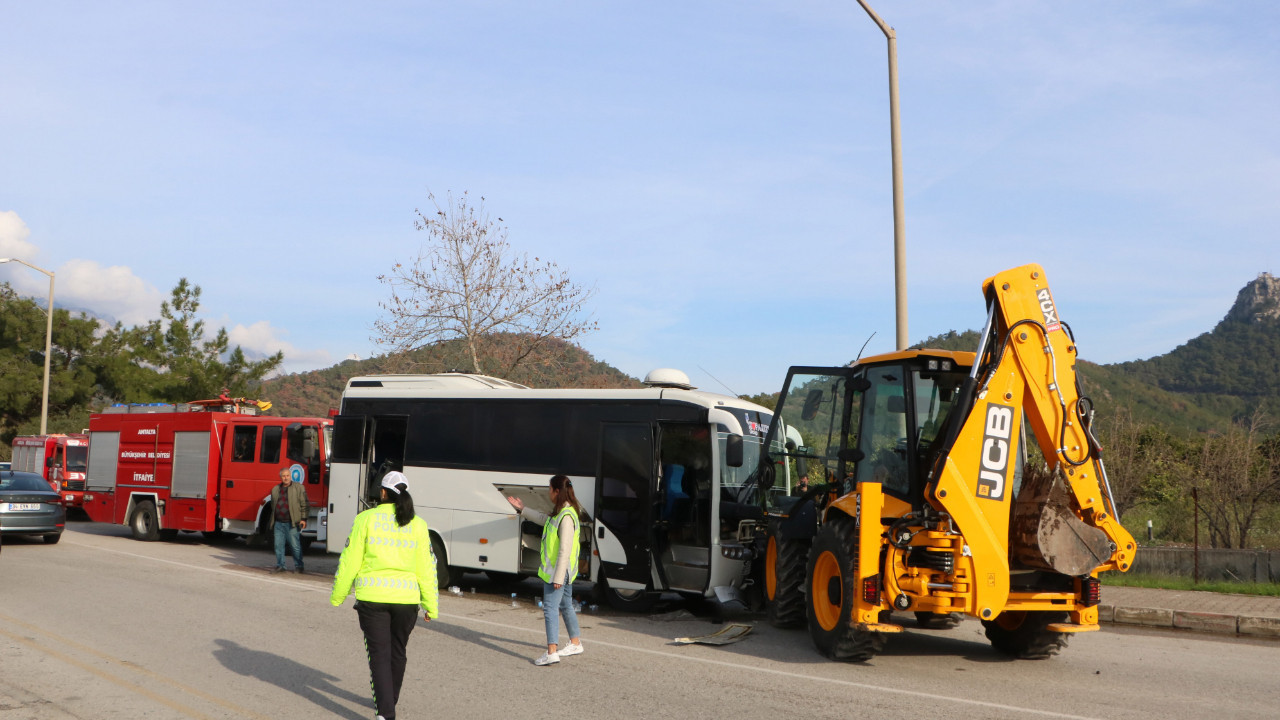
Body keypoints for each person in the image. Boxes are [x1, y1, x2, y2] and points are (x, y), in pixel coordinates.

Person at [331, 471, 437, 720]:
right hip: (407, 601)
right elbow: (427, 568)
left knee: (379, 655)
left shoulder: (366, 519)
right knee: (397, 652)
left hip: (373, 599)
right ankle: (389, 701)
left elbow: (350, 560)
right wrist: (430, 605)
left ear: (383, 492)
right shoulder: (418, 524)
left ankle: (386, 712)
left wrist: (339, 595)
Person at [506, 474, 584, 666]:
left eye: (550, 489)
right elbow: (544, 519)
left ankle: (551, 652)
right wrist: (523, 509)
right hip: (564, 571)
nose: (548, 493)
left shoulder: (566, 516)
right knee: (565, 605)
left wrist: (558, 576)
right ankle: (575, 643)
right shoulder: (562, 512)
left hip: (558, 571)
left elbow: (565, 549)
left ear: (558, 491)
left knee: (550, 608)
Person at [268, 467, 309, 574]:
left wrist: (303, 519)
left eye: (287, 476)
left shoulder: (299, 488)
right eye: (283, 476)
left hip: (292, 523)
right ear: (280, 477)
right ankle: (281, 566)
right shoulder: (275, 489)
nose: (286, 478)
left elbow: (304, 504)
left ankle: (299, 566)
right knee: (278, 546)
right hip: (278, 523)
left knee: (295, 546)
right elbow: (273, 505)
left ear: (291, 476)